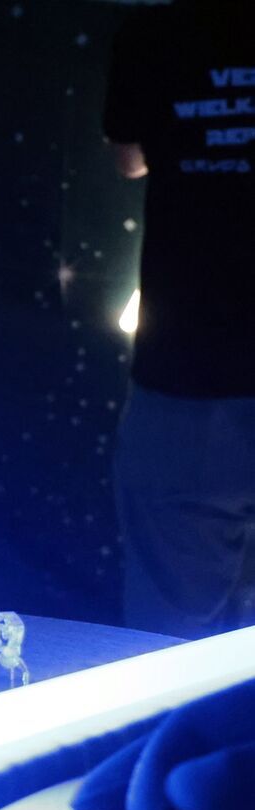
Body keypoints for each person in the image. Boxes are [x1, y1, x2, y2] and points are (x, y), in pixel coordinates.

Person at [103, 0, 255, 638]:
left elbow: (129, 158)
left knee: (174, 639)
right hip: (189, 378)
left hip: (190, 376)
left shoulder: (154, 31)